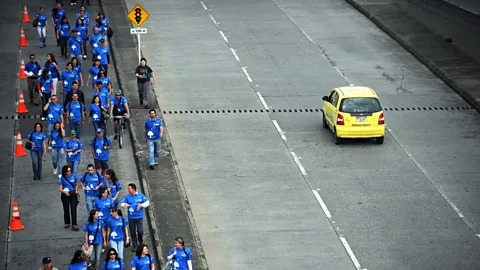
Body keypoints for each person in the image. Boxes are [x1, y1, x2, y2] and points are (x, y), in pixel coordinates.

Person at [121, 183, 149, 252]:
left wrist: (141, 205)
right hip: (131, 217)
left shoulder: (140, 195)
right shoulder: (127, 197)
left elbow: (147, 202)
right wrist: (125, 204)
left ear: (133, 189)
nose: (128, 190)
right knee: (132, 232)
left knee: (140, 231)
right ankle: (135, 246)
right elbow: (122, 203)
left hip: (139, 217)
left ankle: (140, 240)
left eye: (129, 189)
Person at [58, 164, 79, 230]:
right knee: (66, 208)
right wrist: (65, 192)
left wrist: (76, 191)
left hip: (72, 193)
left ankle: (74, 224)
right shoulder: (62, 178)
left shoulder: (74, 176)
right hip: (65, 194)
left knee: (73, 209)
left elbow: (76, 184)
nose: (69, 172)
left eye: (70, 170)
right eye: (68, 171)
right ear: (65, 172)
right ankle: (67, 222)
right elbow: (60, 188)